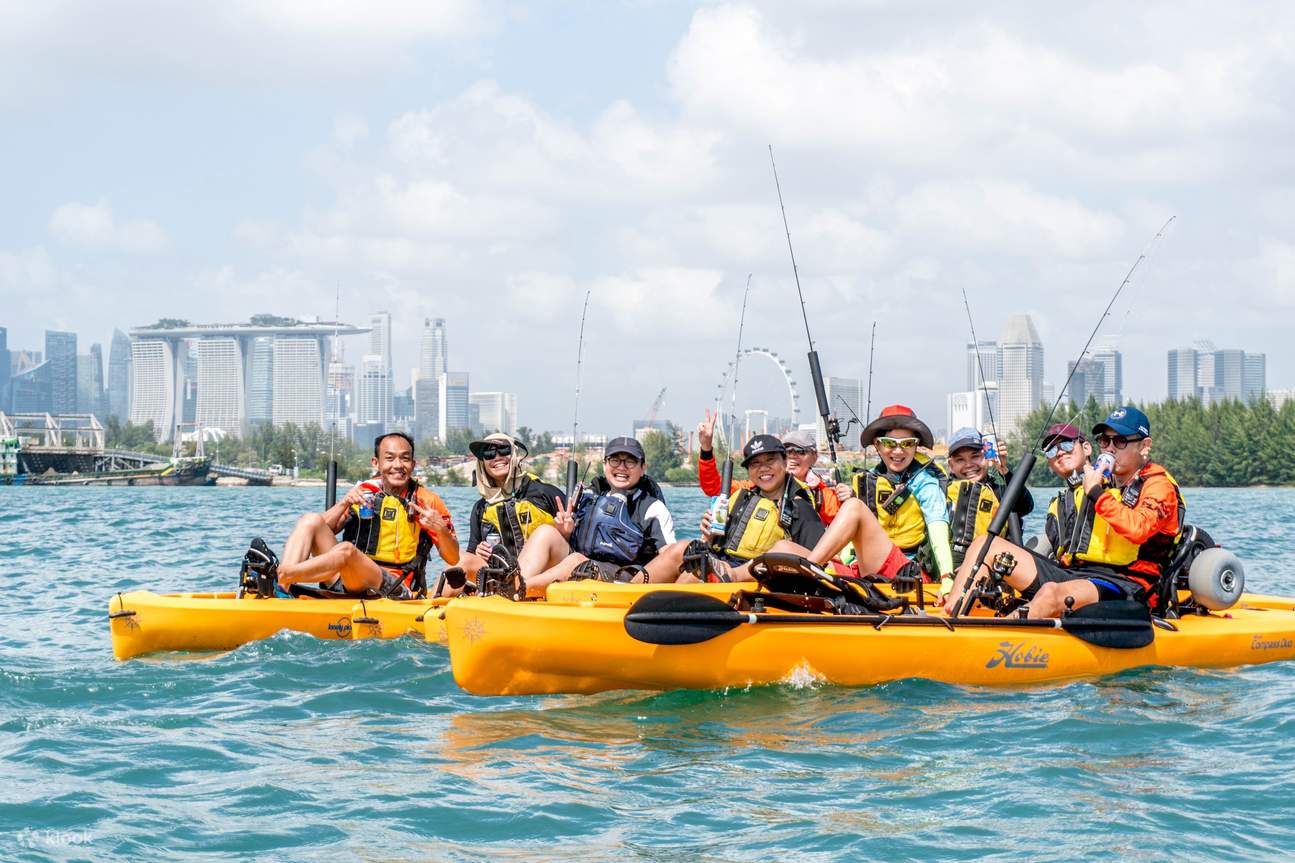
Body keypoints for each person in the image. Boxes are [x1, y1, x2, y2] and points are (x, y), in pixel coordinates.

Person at [943, 406, 1184, 619]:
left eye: (1120, 442)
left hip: (1127, 584)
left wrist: (1097, 494)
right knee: (986, 544)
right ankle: (952, 615)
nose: (1110, 448)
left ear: (1145, 446)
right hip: (1077, 574)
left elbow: (1138, 529)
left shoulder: (1157, 485)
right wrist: (1003, 470)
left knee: (1050, 593)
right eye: (1104, 441)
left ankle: (998, 637)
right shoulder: (1097, 482)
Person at [242, 432, 460, 598]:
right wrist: (344, 503)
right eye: (390, 458)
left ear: (413, 464)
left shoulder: (428, 501)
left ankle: (280, 574)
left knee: (346, 551)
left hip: (392, 588)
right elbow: (321, 529)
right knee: (309, 520)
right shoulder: (365, 493)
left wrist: (439, 528)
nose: (397, 465)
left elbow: (453, 558)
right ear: (376, 463)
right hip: (345, 580)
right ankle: (282, 590)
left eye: (404, 459)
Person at [645, 434, 826, 582]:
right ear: (748, 470)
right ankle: (627, 589)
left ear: (785, 463)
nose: (763, 468)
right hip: (719, 563)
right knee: (681, 548)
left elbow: (818, 560)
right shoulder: (739, 498)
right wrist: (708, 537)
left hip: (753, 577)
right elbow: (713, 544)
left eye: (770, 460)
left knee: (693, 577)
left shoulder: (799, 507)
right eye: (755, 463)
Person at [509, 436, 676, 594]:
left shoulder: (653, 508)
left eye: (630, 461)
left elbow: (669, 555)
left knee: (576, 561)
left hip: (623, 576)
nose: (622, 467)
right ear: (605, 465)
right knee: (546, 532)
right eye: (615, 460)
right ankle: (513, 581)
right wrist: (565, 532)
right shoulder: (589, 497)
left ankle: (519, 589)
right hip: (579, 564)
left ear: (643, 468)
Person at [833, 405, 956, 596]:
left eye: (907, 443)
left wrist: (947, 578)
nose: (898, 451)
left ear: (916, 446)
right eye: (890, 443)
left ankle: (812, 567)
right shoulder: (869, 481)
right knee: (790, 550)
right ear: (877, 445)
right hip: (867, 567)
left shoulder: (926, 484)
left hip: (907, 573)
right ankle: (812, 570)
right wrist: (844, 560)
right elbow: (855, 534)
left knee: (853, 507)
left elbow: (938, 534)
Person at [444, 432, 566, 593]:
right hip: (501, 578)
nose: (497, 457)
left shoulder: (545, 492)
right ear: (482, 463)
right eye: (488, 453)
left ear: (515, 454)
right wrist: (478, 552)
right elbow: (472, 553)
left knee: (545, 533)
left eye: (503, 450)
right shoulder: (481, 509)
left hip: (546, 574)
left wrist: (567, 531)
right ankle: (434, 607)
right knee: (459, 560)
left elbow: (576, 547)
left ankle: (515, 589)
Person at [696, 411, 841, 524]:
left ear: (814, 457)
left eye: (799, 451)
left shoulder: (821, 495)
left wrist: (849, 498)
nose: (792, 456)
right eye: (786, 451)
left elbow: (843, 522)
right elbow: (714, 487)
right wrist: (706, 448)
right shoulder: (752, 488)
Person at [944, 426, 1034, 567]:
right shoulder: (940, 492)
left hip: (993, 567)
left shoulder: (1000, 489)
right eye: (960, 460)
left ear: (987, 456)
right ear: (951, 465)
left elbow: (1026, 506)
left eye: (975, 456)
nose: (969, 465)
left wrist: (1003, 470)